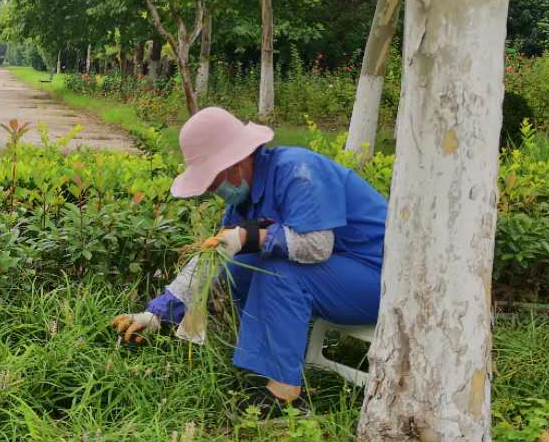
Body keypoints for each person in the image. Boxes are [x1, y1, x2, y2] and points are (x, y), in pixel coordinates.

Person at [114, 106, 387, 410]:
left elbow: (318, 246)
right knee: (240, 265)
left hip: (383, 280)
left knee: (278, 269)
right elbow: (214, 259)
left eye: (213, 179)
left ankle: (285, 395)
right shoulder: (246, 200)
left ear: (236, 162)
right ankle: (268, 365)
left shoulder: (298, 171)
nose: (213, 189)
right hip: (342, 277)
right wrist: (156, 314)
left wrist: (251, 237)